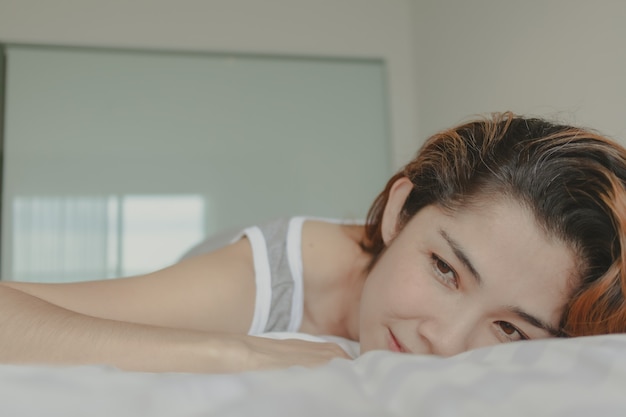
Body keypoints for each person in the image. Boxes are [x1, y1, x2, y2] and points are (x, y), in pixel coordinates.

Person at [1, 111, 625, 373]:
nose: (446, 341)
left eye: (510, 329)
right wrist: (239, 355)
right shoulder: (265, 277)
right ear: (400, 213)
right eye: (444, 269)